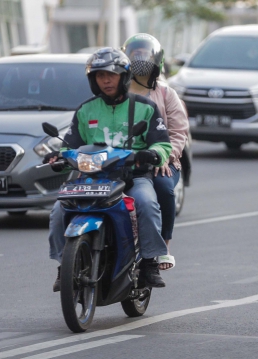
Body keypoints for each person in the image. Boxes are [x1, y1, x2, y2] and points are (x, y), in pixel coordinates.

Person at [45, 47, 172, 291]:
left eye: (111, 75)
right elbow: (71, 145)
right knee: (59, 211)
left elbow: (162, 142)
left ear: (124, 77)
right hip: (91, 177)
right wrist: (58, 158)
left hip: (133, 176)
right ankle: (64, 265)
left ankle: (149, 262)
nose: (105, 80)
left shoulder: (144, 107)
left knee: (146, 203)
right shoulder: (86, 110)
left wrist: (153, 153)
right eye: (99, 76)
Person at [122, 33, 189, 271]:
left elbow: (179, 132)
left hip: (162, 160)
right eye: (135, 53)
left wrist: (166, 156)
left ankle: (164, 246)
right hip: (120, 161)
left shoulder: (166, 94)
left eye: (145, 54)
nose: (140, 59)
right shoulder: (115, 95)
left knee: (163, 186)